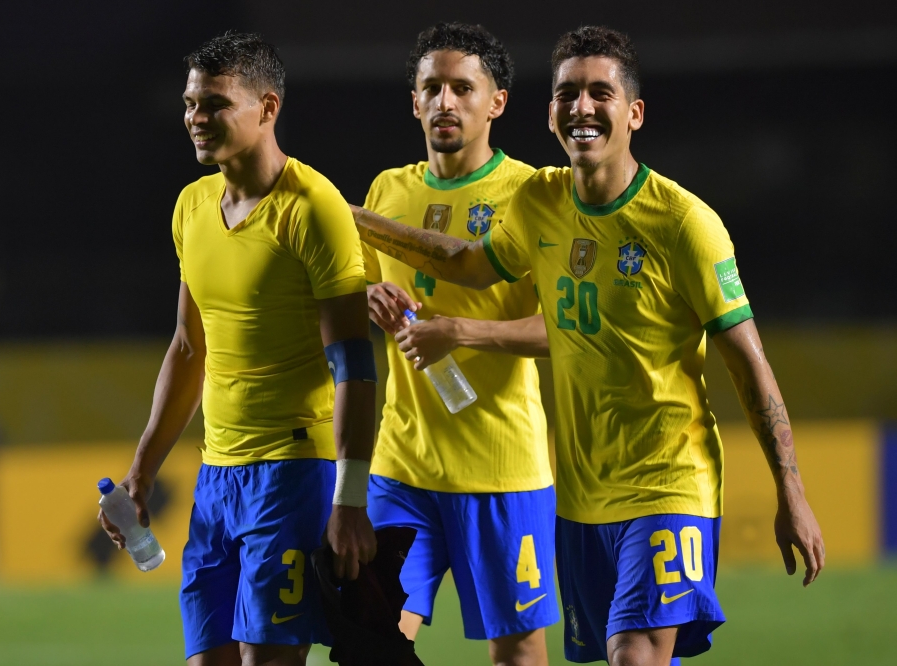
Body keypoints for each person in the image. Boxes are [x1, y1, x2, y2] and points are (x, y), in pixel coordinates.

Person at [350, 25, 826, 666]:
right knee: (621, 654)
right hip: (577, 492)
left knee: (630, 653)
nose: (580, 107)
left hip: (663, 481)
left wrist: (790, 492)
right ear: (548, 112)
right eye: (567, 93)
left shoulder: (685, 224)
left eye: (599, 93)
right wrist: (347, 217)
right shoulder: (541, 203)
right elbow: (467, 263)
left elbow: (750, 365)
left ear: (633, 114)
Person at [98, 31, 378, 666]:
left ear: (267, 107)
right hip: (216, 479)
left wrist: (351, 498)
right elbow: (187, 349)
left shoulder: (315, 210)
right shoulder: (192, 206)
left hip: (292, 474)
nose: (197, 118)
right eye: (192, 103)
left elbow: (355, 366)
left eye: (216, 104)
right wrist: (142, 472)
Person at [361, 23, 558, 666]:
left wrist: (460, 331)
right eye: (432, 88)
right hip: (401, 464)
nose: (446, 101)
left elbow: (566, 331)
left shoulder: (534, 195)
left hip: (500, 467)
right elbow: (355, 297)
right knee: (369, 638)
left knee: (519, 651)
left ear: (496, 102)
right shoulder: (388, 191)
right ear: (414, 101)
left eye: (463, 88)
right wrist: (369, 303)